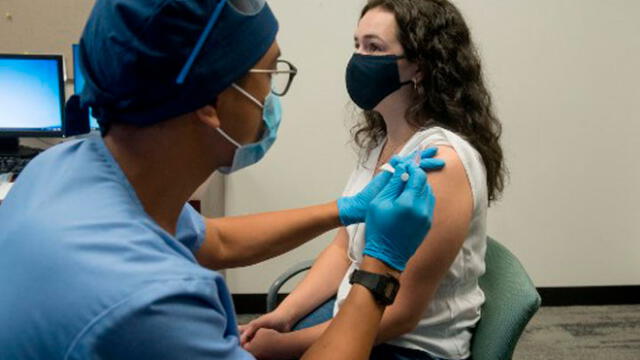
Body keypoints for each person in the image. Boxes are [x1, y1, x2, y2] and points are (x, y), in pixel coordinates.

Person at [0, 0, 445, 359]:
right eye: (268, 74)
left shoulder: (61, 167)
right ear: (211, 103)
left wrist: (346, 210)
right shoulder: (151, 305)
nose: (271, 95)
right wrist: (380, 266)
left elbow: (217, 242)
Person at [240, 1, 506, 359]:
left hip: (408, 347)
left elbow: (401, 315)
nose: (358, 59)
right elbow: (342, 247)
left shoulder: (441, 162)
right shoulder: (384, 141)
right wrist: (282, 317)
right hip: (357, 313)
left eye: (374, 47)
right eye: (357, 45)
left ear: (420, 66)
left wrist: (282, 347)